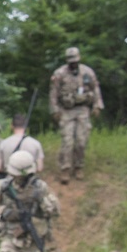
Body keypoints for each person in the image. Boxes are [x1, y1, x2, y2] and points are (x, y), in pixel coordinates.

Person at [49, 46, 103, 184]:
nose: (73, 63)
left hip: (83, 109)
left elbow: (95, 88)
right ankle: (65, 169)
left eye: (75, 60)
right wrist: (55, 110)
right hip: (66, 110)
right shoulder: (59, 73)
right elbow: (54, 93)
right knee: (67, 141)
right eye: (70, 61)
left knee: (81, 140)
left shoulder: (87, 72)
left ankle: (78, 166)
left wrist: (97, 105)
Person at [0, 112, 45, 177]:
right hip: (29, 180)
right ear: (26, 126)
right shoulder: (36, 143)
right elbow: (39, 168)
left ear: (11, 126)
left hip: (10, 179)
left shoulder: (3, 144)